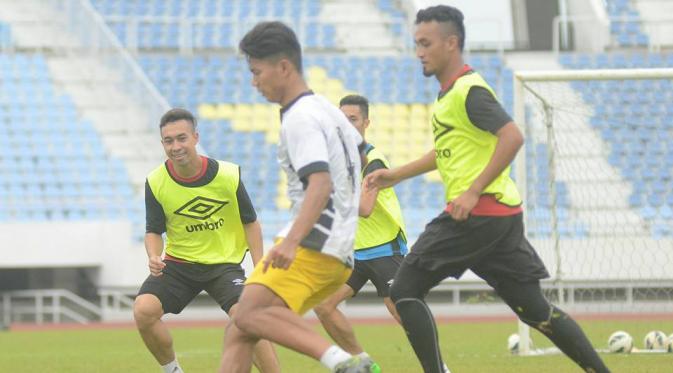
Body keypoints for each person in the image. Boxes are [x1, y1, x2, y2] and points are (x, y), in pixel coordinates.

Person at [365, 5, 610, 373]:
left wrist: (473, 191)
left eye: (425, 43)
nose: (419, 52)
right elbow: (447, 152)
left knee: (402, 290)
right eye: (416, 43)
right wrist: (396, 174)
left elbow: (512, 136)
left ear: (451, 43)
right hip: (499, 219)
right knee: (535, 310)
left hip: (474, 216)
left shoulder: (468, 90)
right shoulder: (449, 96)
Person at [219, 22, 373, 373]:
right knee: (241, 328)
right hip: (338, 248)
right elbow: (361, 155)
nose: (254, 82)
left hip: (313, 245)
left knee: (247, 313)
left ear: (284, 67)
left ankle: (342, 362)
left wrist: (291, 242)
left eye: (257, 72)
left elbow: (319, 182)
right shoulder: (327, 108)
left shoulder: (299, 118)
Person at [133, 108, 279, 373]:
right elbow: (153, 230)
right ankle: (173, 370)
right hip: (179, 264)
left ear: (195, 137)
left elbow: (251, 222)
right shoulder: (155, 182)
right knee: (143, 310)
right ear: (162, 143)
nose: (176, 146)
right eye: (169, 141)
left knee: (246, 317)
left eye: (181, 138)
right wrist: (153, 255)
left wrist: (259, 267)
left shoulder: (227, 175)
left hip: (224, 264)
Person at [314, 95, 407, 372]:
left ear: (366, 122)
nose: (346, 125)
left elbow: (365, 208)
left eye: (353, 119)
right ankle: (363, 364)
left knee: (404, 313)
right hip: (353, 252)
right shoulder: (335, 160)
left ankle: (440, 367)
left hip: (384, 248)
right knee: (324, 306)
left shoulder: (374, 159)